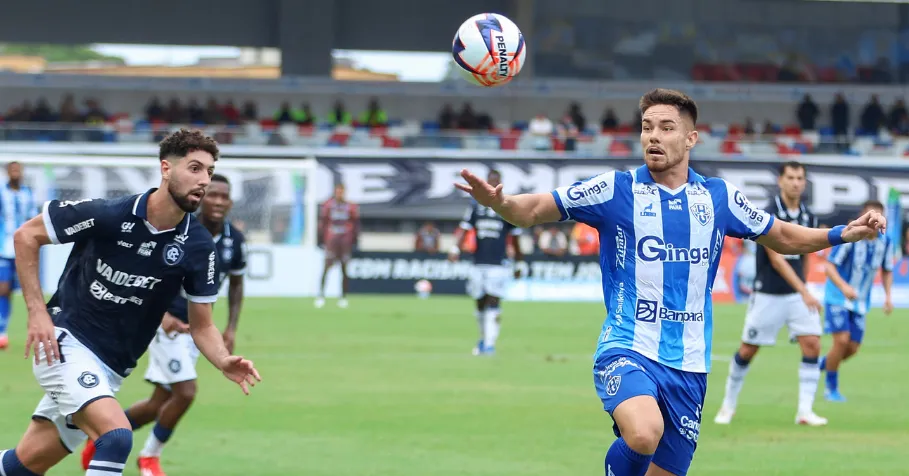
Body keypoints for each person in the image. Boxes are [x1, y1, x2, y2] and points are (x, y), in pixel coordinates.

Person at [453, 88, 886, 476]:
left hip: (690, 364)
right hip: (628, 346)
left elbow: (784, 235)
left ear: (691, 139)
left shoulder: (718, 197)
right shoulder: (615, 190)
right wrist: (501, 203)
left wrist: (841, 233)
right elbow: (532, 210)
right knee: (643, 434)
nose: (653, 137)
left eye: (666, 127)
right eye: (646, 128)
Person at [0, 129, 261, 476]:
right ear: (166, 168)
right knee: (117, 437)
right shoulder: (110, 214)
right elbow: (26, 235)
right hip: (64, 344)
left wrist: (223, 359)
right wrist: (37, 312)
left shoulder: (198, 248)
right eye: (195, 168)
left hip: (110, 369)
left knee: (23, 465)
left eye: (210, 171)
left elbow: (202, 325)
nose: (204, 181)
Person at [79, 174, 248, 475]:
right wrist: (162, 317)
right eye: (213, 195)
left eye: (225, 196)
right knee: (185, 392)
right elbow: (148, 277)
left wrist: (231, 327)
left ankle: (103, 438)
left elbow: (236, 284)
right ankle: (149, 457)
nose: (219, 202)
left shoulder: (235, 240)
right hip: (166, 325)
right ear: (202, 198)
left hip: (197, 329)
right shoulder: (179, 233)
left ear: (231, 201)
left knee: (160, 401)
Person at [714, 161, 828, 427]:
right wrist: (805, 290)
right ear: (780, 181)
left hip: (798, 294)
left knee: (812, 344)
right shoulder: (767, 214)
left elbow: (807, 254)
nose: (796, 182)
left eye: (800, 178)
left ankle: (804, 411)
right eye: (791, 177)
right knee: (748, 350)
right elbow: (776, 259)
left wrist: (805, 286)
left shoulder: (808, 216)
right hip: (768, 294)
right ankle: (728, 405)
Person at [819, 200, 894, 402]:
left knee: (852, 348)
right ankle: (830, 389)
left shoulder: (886, 242)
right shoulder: (851, 238)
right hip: (837, 296)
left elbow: (887, 270)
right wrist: (844, 287)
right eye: (871, 216)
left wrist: (888, 296)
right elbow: (829, 267)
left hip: (860, 301)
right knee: (841, 341)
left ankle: (823, 364)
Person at [449, 169, 525, 356]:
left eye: (495, 182)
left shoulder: (507, 206)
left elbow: (515, 238)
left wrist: (519, 263)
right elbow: (465, 229)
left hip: (499, 264)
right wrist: (455, 248)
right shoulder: (476, 206)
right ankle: (484, 338)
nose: (492, 185)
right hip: (478, 262)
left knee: (493, 300)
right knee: (480, 302)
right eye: (489, 181)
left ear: (500, 184)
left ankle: (490, 344)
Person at [0, 161, 36, 349]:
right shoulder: (1, 192)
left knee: (28, 289)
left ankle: (35, 330)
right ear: (7, 172)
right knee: (3, 289)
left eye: (18, 170)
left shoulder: (28, 194)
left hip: (23, 249)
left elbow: (32, 220)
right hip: (4, 248)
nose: (15, 173)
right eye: (12, 170)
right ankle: (2, 332)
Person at [315, 183, 359, 309]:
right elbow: (323, 223)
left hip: (345, 242)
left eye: (341, 191)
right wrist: (320, 239)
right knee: (326, 268)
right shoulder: (328, 205)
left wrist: (355, 241)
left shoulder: (350, 207)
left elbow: (355, 224)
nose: (339, 193)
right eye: (337, 191)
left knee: (344, 270)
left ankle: (343, 297)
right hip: (332, 241)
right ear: (335, 192)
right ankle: (321, 296)